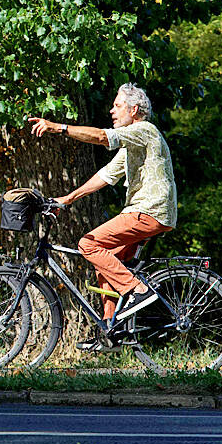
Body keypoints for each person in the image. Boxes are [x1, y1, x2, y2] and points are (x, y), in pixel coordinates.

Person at [28, 83, 177, 350]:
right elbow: (105, 176)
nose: (111, 110)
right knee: (107, 261)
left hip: (148, 210)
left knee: (88, 244)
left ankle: (138, 291)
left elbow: (100, 137)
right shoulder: (132, 144)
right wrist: (67, 199)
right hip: (143, 212)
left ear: (134, 110)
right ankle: (111, 331)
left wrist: (57, 127)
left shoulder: (144, 130)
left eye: (117, 106)